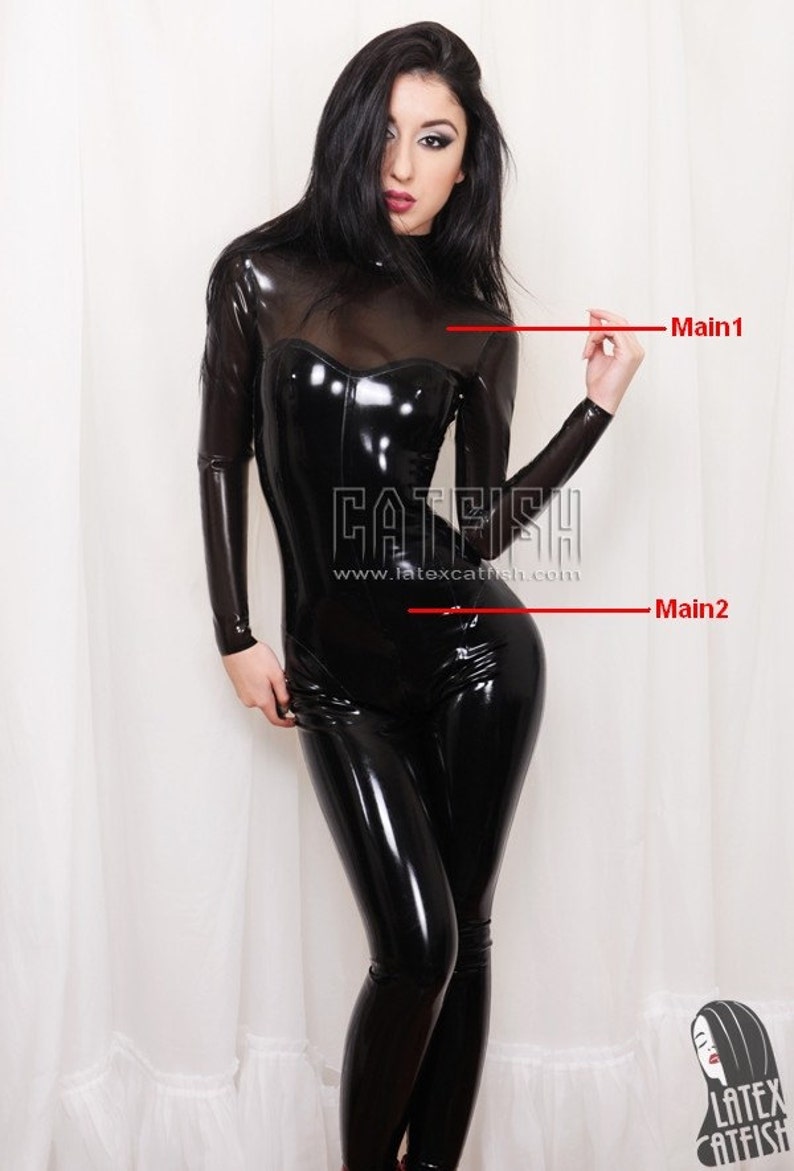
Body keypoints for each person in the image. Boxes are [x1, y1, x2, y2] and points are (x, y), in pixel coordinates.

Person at [198, 21, 643, 1171]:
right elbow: (221, 458)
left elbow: (479, 526)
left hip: (475, 659)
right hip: (332, 674)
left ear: (465, 161)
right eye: (385, 132)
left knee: (466, 932)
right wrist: (236, 633)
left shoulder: (474, 320)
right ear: (348, 133)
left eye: (433, 139)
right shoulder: (257, 272)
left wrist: (592, 412)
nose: (402, 164)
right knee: (415, 946)